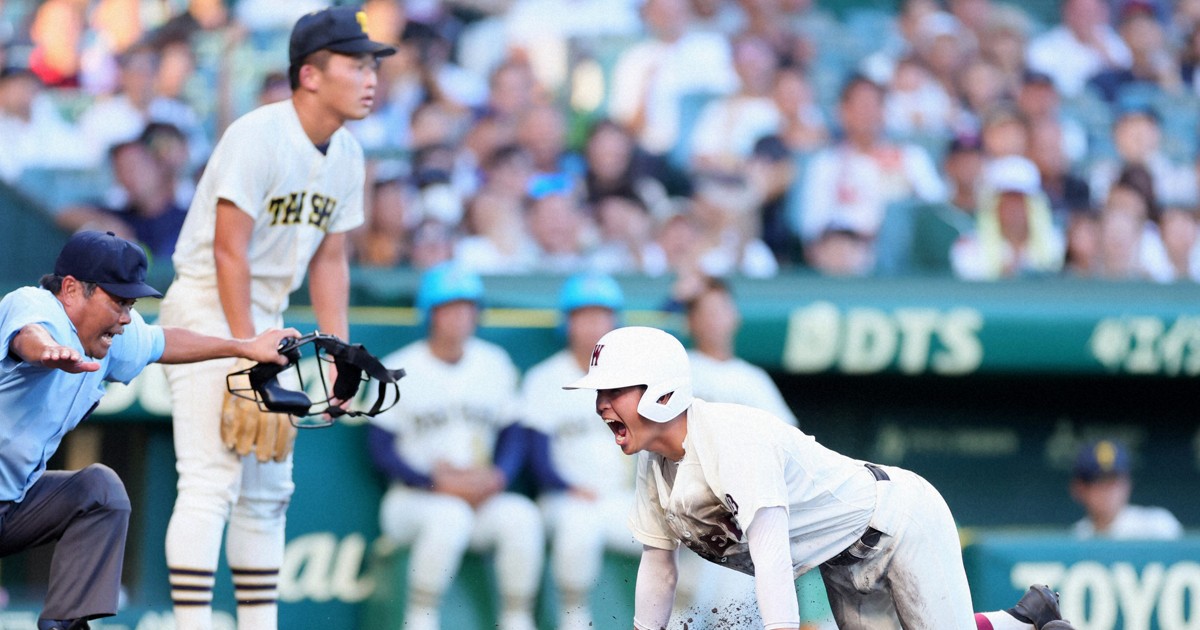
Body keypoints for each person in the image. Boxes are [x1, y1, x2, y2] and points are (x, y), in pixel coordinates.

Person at [562, 325, 1078, 630]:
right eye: (599, 393)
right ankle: (1022, 617)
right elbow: (659, 565)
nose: (602, 404)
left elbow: (772, 557)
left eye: (615, 390)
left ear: (661, 390)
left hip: (899, 523)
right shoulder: (655, 465)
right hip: (841, 562)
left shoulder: (730, 438)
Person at [156, 7, 396, 630]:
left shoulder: (346, 153)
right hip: (210, 303)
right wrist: (243, 344)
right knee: (211, 483)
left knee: (268, 492)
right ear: (310, 75)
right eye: (356, 63)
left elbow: (332, 257)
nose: (371, 76)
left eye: (373, 64)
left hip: (270, 314)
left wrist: (338, 354)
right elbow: (226, 247)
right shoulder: (258, 134)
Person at [0, 230, 296, 630]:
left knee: (100, 492)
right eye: (117, 301)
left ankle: (66, 625)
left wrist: (244, 347)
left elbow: (163, 342)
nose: (125, 317)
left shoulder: (106, 336)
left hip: (12, 505)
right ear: (71, 289)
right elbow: (27, 335)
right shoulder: (36, 305)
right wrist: (48, 351)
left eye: (130, 303)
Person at [367, 263, 543, 630]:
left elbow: (514, 431)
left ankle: (516, 619)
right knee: (449, 516)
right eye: (450, 307)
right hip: (414, 498)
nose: (460, 316)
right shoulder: (399, 367)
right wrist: (432, 482)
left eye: (467, 307)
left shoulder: (493, 362)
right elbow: (380, 449)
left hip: (479, 494)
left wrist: (499, 475)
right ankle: (420, 619)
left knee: (521, 516)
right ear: (431, 313)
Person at [519, 273, 641, 630]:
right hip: (566, 498)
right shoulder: (545, 377)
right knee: (578, 526)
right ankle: (573, 622)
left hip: (622, 499)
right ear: (568, 322)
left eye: (602, 316)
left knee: (686, 528)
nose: (593, 326)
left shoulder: (634, 379)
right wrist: (566, 487)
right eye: (584, 316)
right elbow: (535, 454)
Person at [1069, 439, 1183, 540]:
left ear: (1127, 484)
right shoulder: (1077, 536)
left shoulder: (1156, 526)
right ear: (1079, 488)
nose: (1108, 491)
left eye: (1114, 481)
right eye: (1099, 481)